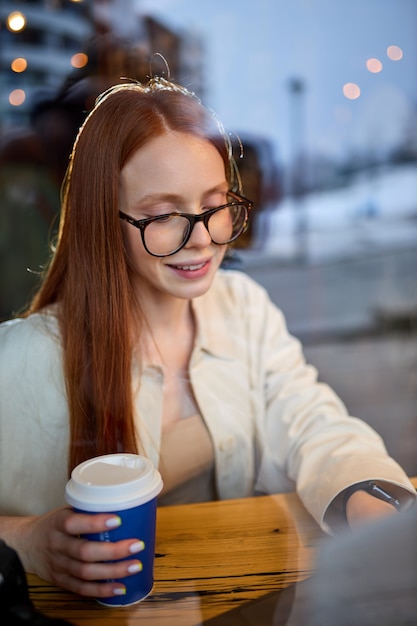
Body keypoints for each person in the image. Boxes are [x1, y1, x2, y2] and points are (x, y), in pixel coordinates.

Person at [0, 77, 415, 601]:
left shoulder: (244, 307)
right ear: (104, 220)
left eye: (215, 205)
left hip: (227, 598)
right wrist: (25, 540)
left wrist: (372, 502)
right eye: (165, 215)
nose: (201, 238)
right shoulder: (22, 358)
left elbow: (312, 421)